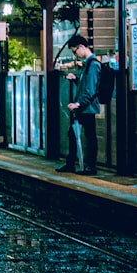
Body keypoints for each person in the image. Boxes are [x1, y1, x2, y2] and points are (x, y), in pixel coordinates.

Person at [56, 35, 101, 176]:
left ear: (81, 47)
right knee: (74, 133)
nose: (75, 55)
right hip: (84, 106)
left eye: (74, 51)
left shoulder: (93, 64)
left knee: (89, 136)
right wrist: (75, 79)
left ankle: (90, 166)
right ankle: (73, 163)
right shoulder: (88, 64)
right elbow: (86, 86)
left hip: (87, 107)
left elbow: (91, 89)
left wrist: (78, 103)